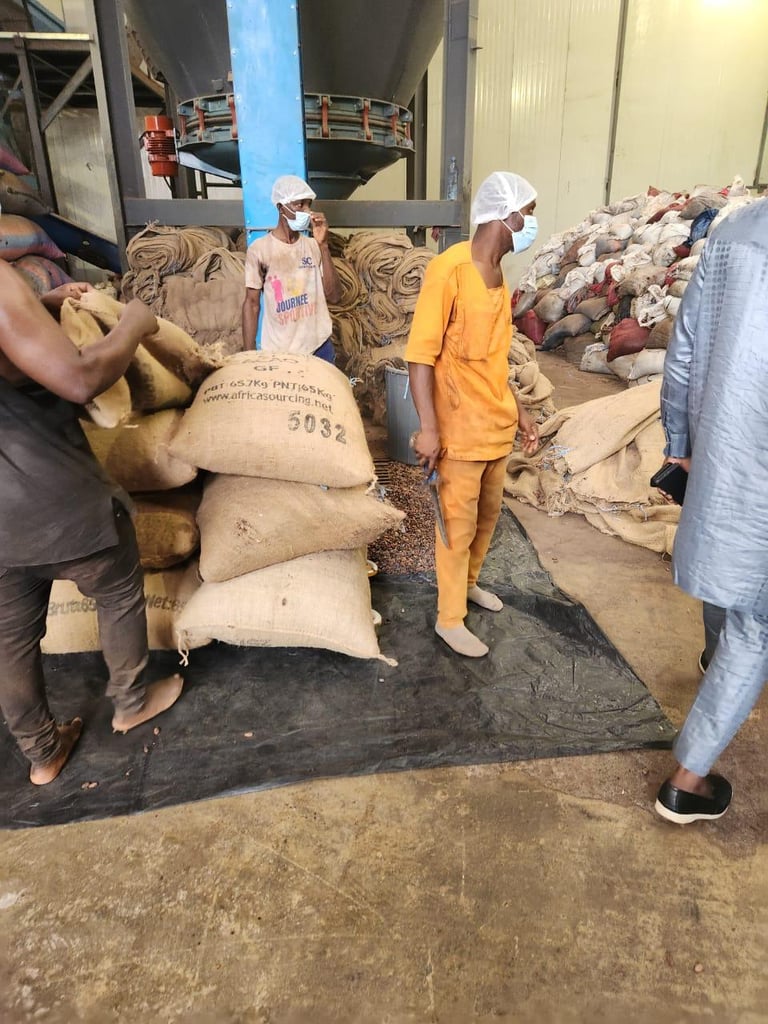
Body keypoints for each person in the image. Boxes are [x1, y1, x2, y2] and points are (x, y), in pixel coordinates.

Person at [0, 266, 184, 786]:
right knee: (118, 589)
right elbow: (79, 378)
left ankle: (41, 754)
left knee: (10, 637)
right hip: (58, 499)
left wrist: (40, 306)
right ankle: (131, 702)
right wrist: (134, 323)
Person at [654, 196, 768, 825]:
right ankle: (686, 780)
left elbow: (684, 347)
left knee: (732, 569)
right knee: (759, 622)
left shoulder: (731, 230)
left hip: (722, 450)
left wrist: (680, 439)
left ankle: (713, 658)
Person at [406, 171, 541, 658]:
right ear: (505, 216)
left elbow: (496, 359)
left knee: (487, 517)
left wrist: (521, 412)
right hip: (459, 431)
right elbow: (419, 356)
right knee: (456, 525)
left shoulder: (499, 276)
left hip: (496, 425)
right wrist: (428, 428)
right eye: (528, 213)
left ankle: (468, 585)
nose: (532, 223)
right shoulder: (450, 270)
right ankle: (449, 618)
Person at [242, 174, 341, 361]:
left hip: (319, 348)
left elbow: (334, 296)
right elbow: (252, 304)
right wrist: (248, 355)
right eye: (299, 205)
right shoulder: (260, 250)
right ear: (281, 208)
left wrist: (323, 245)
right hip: (279, 352)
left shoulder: (313, 246)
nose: (307, 211)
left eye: (308, 205)